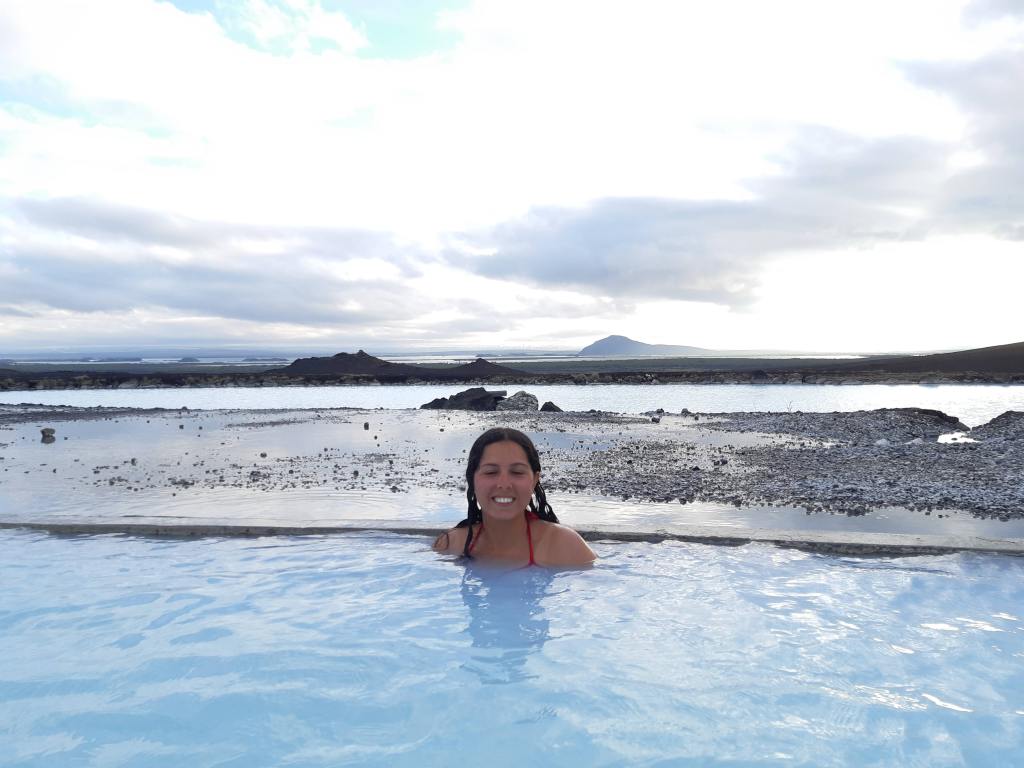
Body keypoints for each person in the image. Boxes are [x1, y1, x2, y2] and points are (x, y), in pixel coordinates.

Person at [433, 427, 596, 567]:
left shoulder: (564, 547)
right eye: (491, 472)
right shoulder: (452, 544)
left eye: (517, 472)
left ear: (534, 480)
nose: (504, 484)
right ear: (472, 479)